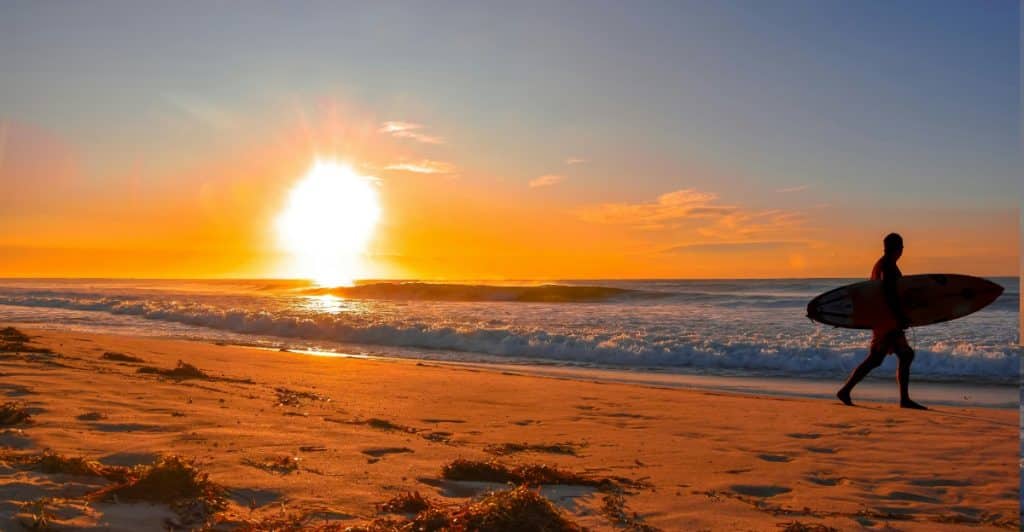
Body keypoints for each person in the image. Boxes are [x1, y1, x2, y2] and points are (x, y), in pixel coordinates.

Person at [836, 233, 926, 410]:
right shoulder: (888, 266)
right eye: (901, 247)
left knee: (884, 358)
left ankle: (846, 390)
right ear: (898, 248)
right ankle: (904, 400)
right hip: (888, 320)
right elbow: (889, 294)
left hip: (884, 319)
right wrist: (899, 316)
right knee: (897, 356)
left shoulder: (882, 264)